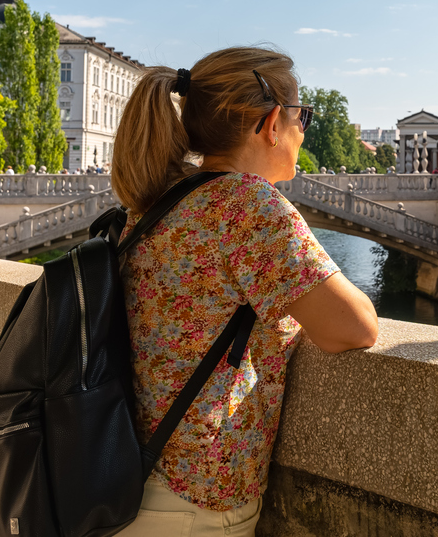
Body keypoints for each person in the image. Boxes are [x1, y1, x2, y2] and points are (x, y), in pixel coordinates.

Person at [111, 47, 377, 537]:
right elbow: (356, 328)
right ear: (273, 123)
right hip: (195, 497)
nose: (303, 131)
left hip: (127, 475)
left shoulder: (163, 200)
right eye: (304, 117)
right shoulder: (247, 204)